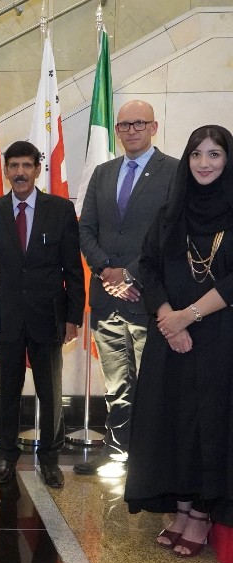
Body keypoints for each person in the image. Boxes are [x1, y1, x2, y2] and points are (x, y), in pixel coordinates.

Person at [124, 125, 233, 558]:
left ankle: (204, 515)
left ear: (228, 161)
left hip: (220, 337)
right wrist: (167, 317)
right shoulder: (173, 209)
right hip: (170, 334)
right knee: (174, 421)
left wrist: (188, 316)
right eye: (196, 155)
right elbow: (148, 265)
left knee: (209, 423)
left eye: (215, 155)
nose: (204, 164)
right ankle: (183, 506)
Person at [75, 100, 178, 476]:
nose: (131, 130)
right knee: (116, 382)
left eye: (139, 124)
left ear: (153, 126)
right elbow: (86, 228)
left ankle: (150, 461)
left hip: (148, 297)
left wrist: (129, 274)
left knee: (152, 383)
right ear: (116, 132)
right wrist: (105, 270)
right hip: (106, 297)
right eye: (124, 125)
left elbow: (170, 232)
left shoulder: (175, 172)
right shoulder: (103, 173)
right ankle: (116, 453)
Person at [0, 141, 84, 489]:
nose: (20, 172)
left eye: (26, 166)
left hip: (48, 318)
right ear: (5, 171)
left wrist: (73, 317)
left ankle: (49, 459)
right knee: (9, 392)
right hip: (7, 319)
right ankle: (7, 456)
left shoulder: (60, 210)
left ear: (37, 169)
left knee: (50, 392)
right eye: (13, 166)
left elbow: (73, 269)